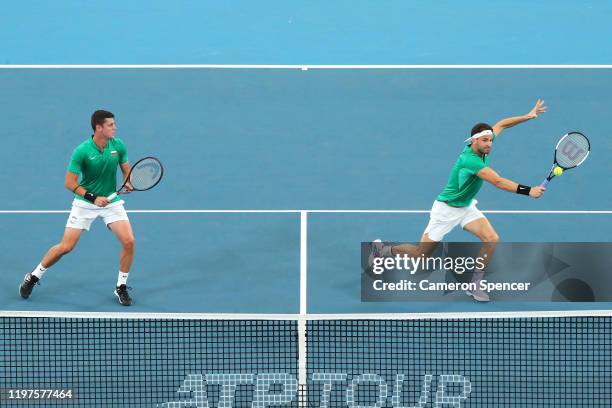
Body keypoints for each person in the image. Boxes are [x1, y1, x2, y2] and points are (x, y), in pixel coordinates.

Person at [371, 100, 547, 302]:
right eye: (485, 141)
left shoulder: (483, 146)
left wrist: (528, 115)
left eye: (491, 140)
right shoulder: (469, 161)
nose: (490, 144)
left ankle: (475, 284)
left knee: (491, 238)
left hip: (466, 207)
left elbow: (502, 124)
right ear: (474, 141)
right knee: (421, 255)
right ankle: (383, 250)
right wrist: (528, 191)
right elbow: (497, 181)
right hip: (445, 211)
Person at [20, 110, 136, 306]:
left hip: (111, 202)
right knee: (66, 247)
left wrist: (128, 181)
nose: (115, 127)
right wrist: (93, 197)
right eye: (110, 125)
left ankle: (121, 287)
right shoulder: (81, 151)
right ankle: (34, 276)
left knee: (129, 241)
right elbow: (69, 182)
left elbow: (126, 168)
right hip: (85, 203)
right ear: (99, 127)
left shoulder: (118, 145)